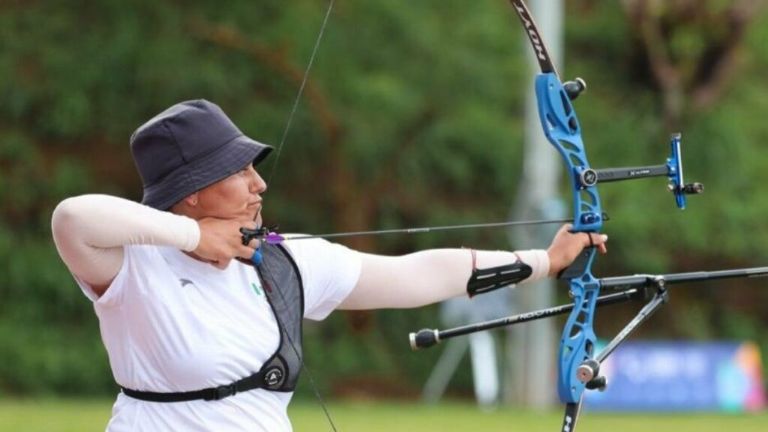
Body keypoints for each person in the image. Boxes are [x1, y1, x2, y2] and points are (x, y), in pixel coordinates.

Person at [51, 99, 607, 432]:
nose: (258, 184)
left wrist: (545, 260)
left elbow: (417, 274)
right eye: (238, 171)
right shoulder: (134, 269)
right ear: (192, 192)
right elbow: (72, 218)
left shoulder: (279, 259)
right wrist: (194, 236)